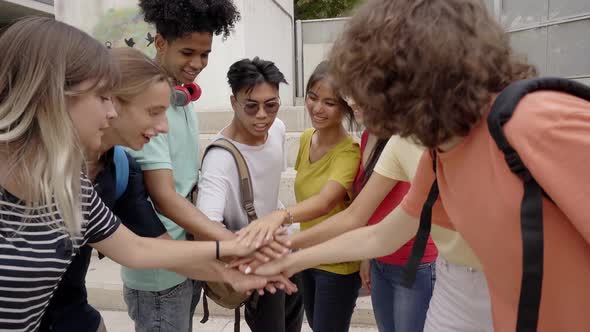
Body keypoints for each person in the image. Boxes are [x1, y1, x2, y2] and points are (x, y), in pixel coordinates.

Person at [254, 0, 590, 331]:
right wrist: (288, 261)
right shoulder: (438, 153)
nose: (354, 101)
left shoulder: (536, 121)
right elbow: (379, 236)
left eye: (369, 86)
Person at [0, 17, 292, 332]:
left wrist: (229, 264)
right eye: (102, 97)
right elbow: (162, 206)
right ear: (52, 94)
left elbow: (139, 248)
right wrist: (232, 246)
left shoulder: (79, 186)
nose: (109, 112)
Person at [124, 1, 284, 331]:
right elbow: (164, 196)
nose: (197, 63)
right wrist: (231, 243)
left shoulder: (179, 98)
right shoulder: (150, 104)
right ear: (160, 43)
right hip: (160, 274)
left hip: (186, 261)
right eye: (187, 52)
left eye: (205, 53)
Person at [238, 61, 361, 332]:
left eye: (329, 102)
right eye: (313, 97)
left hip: (337, 264)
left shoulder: (349, 151)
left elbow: (326, 201)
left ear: (345, 106)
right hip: (307, 257)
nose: (317, 108)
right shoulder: (307, 137)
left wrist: (281, 216)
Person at [197, 57, 304, 332]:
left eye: (271, 105)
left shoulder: (277, 128)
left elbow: (268, 189)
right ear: (233, 102)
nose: (262, 115)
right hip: (256, 264)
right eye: (251, 106)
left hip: (286, 247)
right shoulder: (219, 159)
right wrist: (249, 256)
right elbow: (208, 226)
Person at [348, 98, 437, 332]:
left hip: (413, 263)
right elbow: (368, 206)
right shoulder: (368, 136)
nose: (351, 101)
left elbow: (354, 215)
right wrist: (367, 256)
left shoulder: (407, 138)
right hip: (380, 260)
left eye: (361, 92)